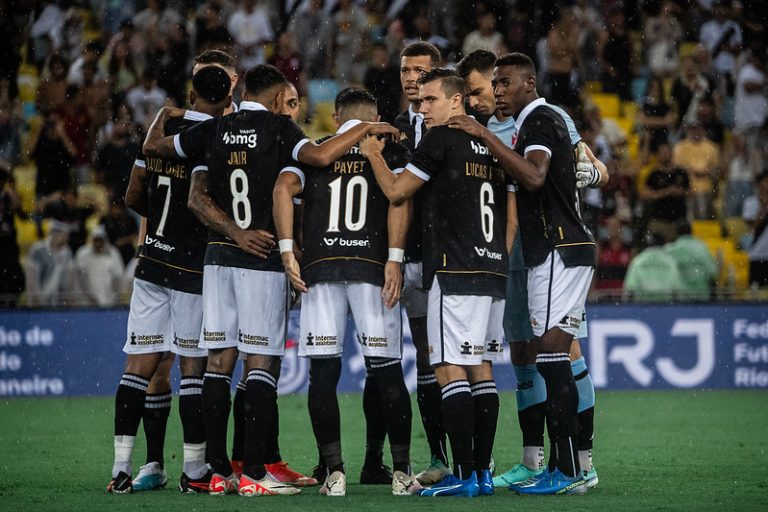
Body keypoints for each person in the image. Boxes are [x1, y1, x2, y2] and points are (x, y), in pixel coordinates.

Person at [141, 64, 397, 496]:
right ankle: (254, 473)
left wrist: (160, 119)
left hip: (218, 256)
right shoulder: (279, 128)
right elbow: (318, 157)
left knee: (219, 364)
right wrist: (366, 128)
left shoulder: (215, 129)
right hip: (259, 259)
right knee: (260, 363)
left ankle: (218, 471)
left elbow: (155, 150)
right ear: (280, 98)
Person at [452, 49, 605, 490]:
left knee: (556, 358)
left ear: (528, 84)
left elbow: (539, 177)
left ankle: (573, 467)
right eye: (493, 85)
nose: (498, 92)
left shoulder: (540, 119)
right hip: (544, 252)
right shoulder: (526, 124)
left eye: (502, 83)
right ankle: (556, 465)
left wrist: (485, 137)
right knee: (541, 358)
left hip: (557, 249)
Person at [361, 68, 512, 497]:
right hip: (492, 268)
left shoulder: (441, 139)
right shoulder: (488, 142)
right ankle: (481, 475)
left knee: (447, 369)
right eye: (420, 101)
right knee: (481, 369)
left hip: (455, 268)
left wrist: (373, 153)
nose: (421, 107)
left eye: (429, 100)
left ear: (455, 101)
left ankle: (462, 476)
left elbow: (396, 191)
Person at [274, 88, 418, 497]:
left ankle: (333, 472)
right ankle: (402, 471)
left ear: (337, 118)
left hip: (321, 269)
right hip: (373, 269)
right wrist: (395, 257)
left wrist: (288, 250)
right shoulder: (388, 151)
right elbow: (400, 200)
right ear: (375, 117)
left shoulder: (316, 148)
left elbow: (283, 189)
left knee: (323, 374)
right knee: (388, 371)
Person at [107, 65, 231, 495]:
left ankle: (121, 467)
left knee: (137, 367)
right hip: (193, 268)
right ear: (229, 92)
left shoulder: (164, 129)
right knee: (193, 371)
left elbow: (133, 196)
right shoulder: (220, 134)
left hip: (152, 262)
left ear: (192, 90)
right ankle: (194, 471)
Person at [391, 41, 449, 486]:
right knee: (425, 358)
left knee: (457, 360)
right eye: (406, 70)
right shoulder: (392, 130)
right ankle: (437, 456)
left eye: (419, 72)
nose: (411, 78)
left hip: (447, 258)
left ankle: (469, 459)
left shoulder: (452, 128)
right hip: (407, 259)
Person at [639, 143, 690, 244]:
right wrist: (666, 192)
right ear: (658, 155)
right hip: (660, 221)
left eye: (667, 152)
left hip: (679, 221)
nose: (665, 155)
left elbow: (691, 191)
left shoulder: (681, 173)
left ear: (672, 153)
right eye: (662, 153)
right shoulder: (654, 174)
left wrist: (681, 192)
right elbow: (644, 194)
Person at [24, 220, 75, 306]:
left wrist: (69, 302)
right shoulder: (37, 250)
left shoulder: (67, 252)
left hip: (59, 305)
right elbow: (31, 279)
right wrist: (35, 300)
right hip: (39, 304)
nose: (67, 238)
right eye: (65, 235)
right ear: (55, 235)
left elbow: (70, 281)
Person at [663, 224, 718, 301]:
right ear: (691, 232)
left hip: (680, 298)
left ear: (676, 233)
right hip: (702, 296)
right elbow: (712, 271)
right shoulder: (702, 247)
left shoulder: (669, 249)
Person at [75, 224, 124, 306]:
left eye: (100, 240)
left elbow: (118, 277)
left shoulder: (113, 253)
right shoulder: (82, 253)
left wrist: (114, 297)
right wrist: (90, 297)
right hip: (86, 303)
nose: (98, 243)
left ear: (105, 241)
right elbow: (80, 278)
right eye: (96, 240)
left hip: (109, 302)